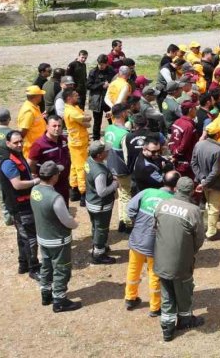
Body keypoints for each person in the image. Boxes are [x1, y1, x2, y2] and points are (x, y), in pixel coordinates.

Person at [154, 176, 205, 341]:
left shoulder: (161, 204)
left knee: (166, 291)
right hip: (181, 261)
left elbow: (156, 226)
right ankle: (185, 320)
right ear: (191, 192)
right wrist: (191, 252)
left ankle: (167, 328)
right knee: (184, 290)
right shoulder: (193, 211)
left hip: (161, 258)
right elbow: (199, 239)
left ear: (175, 188)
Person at [125, 170, 179, 317]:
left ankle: (130, 298)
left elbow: (129, 209)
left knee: (133, 269)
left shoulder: (147, 192)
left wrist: (138, 223)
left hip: (137, 239)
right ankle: (155, 307)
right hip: (156, 245)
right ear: (176, 187)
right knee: (154, 275)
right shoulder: (173, 202)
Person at [30, 161, 82, 312]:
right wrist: (75, 224)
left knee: (46, 266)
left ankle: (46, 293)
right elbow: (66, 220)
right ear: (53, 177)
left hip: (43, 237)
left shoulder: (35, 190)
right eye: (57, 173)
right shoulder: (55, 197)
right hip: (57, 240)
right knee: (61, 269)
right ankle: (59, 300)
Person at [1, 130, 41, 280]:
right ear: (8, 144)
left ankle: (23, 264)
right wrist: (35, 182)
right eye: (15, 142)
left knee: (22, 235)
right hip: (20, 206)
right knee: (30, 238)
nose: (19, 144)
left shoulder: (17, 156)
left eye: (20, 141)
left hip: (22, 204)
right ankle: (33, 268)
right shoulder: (9, 162)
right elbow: (17, 184)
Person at [191, 122, 220, 241]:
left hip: (203, 182)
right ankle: (211, 233)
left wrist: (202, 179)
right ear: (217, 134)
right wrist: (205, 182)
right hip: (215, 184)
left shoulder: (198, 145)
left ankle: (206, 227)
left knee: (208, 205)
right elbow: (216, 171)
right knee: (214, 208)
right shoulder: (218, 150)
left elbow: (194, 164)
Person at [85, 140, 117, 264]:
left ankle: (99, 245)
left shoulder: (89, 161)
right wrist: (115, 184)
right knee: (102, 229)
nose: (108, 151)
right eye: (105, 151)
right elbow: (102, 191)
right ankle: (99, 253)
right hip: (101, 205)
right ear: (99, 155)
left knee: (96, 226)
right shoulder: (100, 173)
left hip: (91, 202)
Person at [103, 103, 133, 231]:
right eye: (126, 112)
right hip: (122, 169)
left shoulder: (109, 128)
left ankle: (121, 220)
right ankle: (127, 223)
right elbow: (127, 156)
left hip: (111, 166)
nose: (128, 114)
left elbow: (106, 149)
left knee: (121, 195)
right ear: (122, 114)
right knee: (126, 195)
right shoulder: (125, 134)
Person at [28, 115, 72, 203]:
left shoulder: (63, 139)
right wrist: (36, 176)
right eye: (54, 126)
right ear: (47, 127)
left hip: (63, 183)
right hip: (49, 186)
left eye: (59, 126)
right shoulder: (39, 145)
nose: (57, 128)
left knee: (64, 206)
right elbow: (31, 164)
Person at [60, 90, 90, 205]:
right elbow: (86, 120)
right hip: (78, 143)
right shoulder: (71, 111)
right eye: (75, 95)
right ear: (69, 98)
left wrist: (85, 119)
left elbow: (85, 120)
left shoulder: (74, 108)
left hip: (76, 142)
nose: (78, 96)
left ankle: (74, 190)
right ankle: (83, 193)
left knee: (74, 166)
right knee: (81, 167)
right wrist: (87, 118)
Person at [87, 54, 115, 140]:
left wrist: (110, 85)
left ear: (106, 63)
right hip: (97, 100)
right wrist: (101, 85)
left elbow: (114, 81)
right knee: (97, 121)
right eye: (99, 64)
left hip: (108, 100)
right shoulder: (93, 72)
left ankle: (114, 135)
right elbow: (88, 85)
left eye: (103, 64)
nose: (101, 66)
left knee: (112, 119)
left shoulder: (110, 70)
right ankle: (96, 139)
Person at [17, 85, 46, 157]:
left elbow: (34, 121)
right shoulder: (28, 111)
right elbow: (23, 131)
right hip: (31, 148)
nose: (42, 96)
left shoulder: (34, 107)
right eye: (40, 95)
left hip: (38, 145)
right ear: (36, 97)